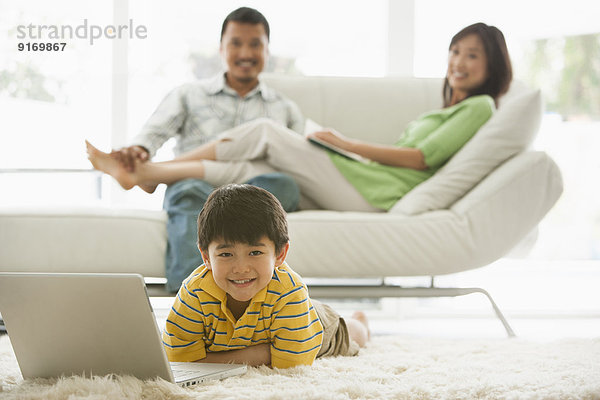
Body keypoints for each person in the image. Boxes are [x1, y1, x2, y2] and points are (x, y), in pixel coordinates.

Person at [87, 22, 512, 213]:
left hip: (375, 193)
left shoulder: (480, 106)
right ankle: (148, 173)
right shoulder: (451, 110)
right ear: (221, 48)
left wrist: (345, 144)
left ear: (491, 65)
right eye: (455, 51)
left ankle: (149, 173)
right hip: (363, 183)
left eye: (471, 55)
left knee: (267, 133)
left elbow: (420, 158)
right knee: (251, 165)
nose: (458, 62)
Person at [108, 7, 307, 292]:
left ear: (267, 50)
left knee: (284, 185)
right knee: (186, 191)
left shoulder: (284, 107)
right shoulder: (188, 94)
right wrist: (137, 152)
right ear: (221, 48)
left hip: (257, 189)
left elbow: (298, 160)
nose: (245, 53)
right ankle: (195, 302)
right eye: (236, 43)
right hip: (198, 185)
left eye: (255, 44)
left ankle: (257, 302)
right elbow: (150, 136)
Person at [162, 184, 370, 368]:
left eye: (255, 253)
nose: (241, 268)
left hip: (316, 324)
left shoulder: (290, 291)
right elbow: (180, 361)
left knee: (355, 336)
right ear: (206, 257)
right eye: (226, 254)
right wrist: (263, 353)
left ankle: (359, 320)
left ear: (280, 254)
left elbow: (292, 364)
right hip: (277, 319)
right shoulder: (194, 292)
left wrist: (215, 359)